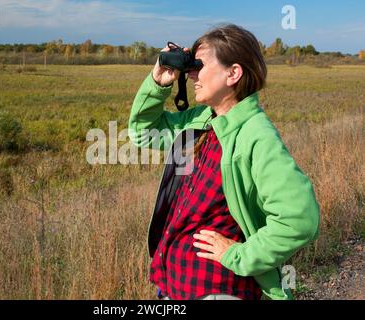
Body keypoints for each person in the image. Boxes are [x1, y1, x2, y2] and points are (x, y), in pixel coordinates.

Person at [128, 24, 320, 300]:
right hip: (175, 285)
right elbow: (143, 133)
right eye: (190, 66)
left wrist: (239, 255)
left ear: (233, 73)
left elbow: (301, 219)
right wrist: (158, 81)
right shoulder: (202, 121)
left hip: (216, 289)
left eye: (199, 65)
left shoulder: (257, 135)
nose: (191, 73)